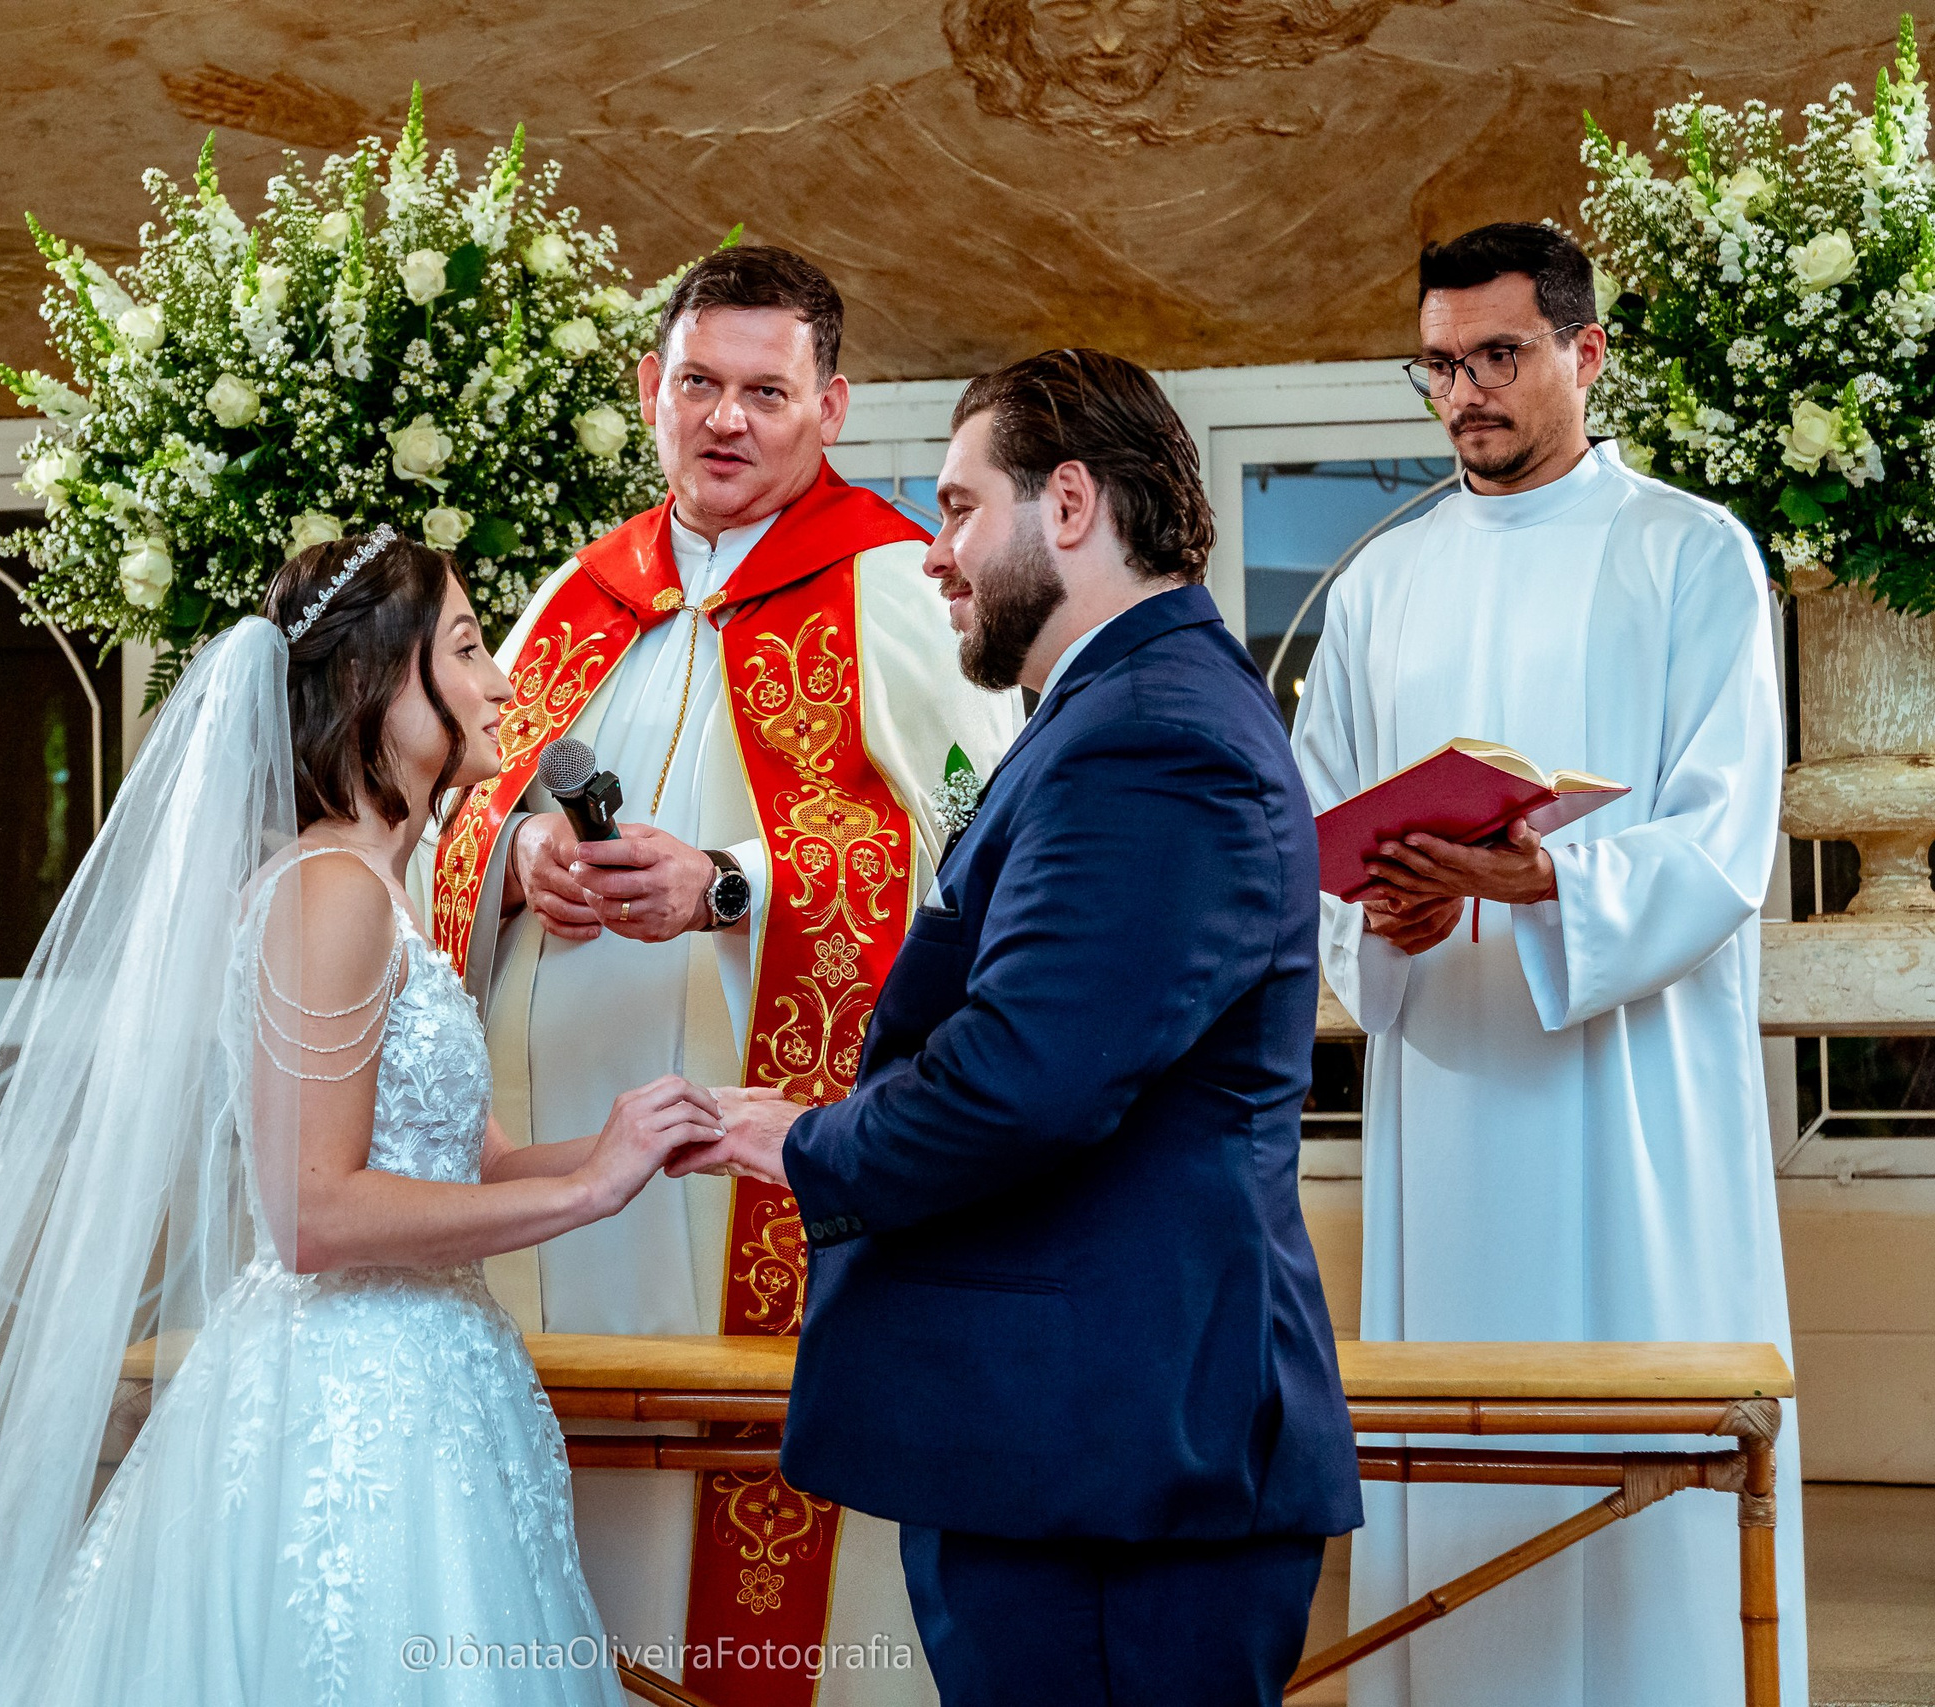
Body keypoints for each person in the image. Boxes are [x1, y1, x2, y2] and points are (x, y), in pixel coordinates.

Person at [0, 530, 722, 1707]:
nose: (501, 683)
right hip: (344, 1405)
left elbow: (472, 1167)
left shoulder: (386, 893)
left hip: (435, 1380)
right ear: (379, 683)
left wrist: (639, 1135)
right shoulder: (325, 893)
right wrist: (585, 1193)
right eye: (468, 649)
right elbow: (314, 1215)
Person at [673, 349, 1361, 1707]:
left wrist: (806, 1138)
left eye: (957, 506)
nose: (937, 554)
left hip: (1109, 1453)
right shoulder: (1117, 711)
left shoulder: (1151, 734)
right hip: (1077, 1438)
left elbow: (1027, 1076)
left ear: (1067, 504)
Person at [427, 243, 1020, 1699]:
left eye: (766, 389)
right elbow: (445, 807)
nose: (727, 419)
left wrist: (733, 883)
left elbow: (986, 854)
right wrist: (515, 867)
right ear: (652, 390)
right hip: (550, 1175)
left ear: (833, 402)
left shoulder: (896, 583)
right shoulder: (577, 593)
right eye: (700, 382)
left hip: (754, 1171)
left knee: (760, 1570)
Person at [1289, 222, 1804, 1706]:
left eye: (1499, 356)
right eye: (1441, 364)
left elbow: (1722, 834)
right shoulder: (1383, 583)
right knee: (1463, 1426)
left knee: (1647, 1417)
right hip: (1451, 1082)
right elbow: (1321, 820)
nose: (1466, 391)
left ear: (1584, 354)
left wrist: (1551, 878)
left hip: (1636, 1092)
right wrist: (1376, 914)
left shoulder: (1692, 551)